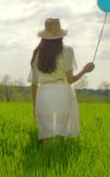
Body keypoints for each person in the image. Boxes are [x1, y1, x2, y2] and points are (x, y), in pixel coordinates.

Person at [27, 18, 95, 150]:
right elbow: (70, 80)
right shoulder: (67, 51)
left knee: (45, 136)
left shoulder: (37, 53)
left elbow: (34, 83)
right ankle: (60, 161)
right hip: (62, 92)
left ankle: (44, 164)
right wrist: (84, 71)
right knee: (61, 133)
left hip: (44, 94)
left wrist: (34, 106)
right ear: (60, 36)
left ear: (44, 36)